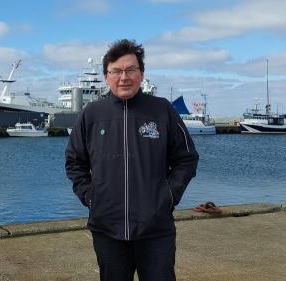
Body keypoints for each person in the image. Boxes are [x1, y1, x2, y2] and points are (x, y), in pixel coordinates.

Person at [65, 39, 199, 281]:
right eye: (116, 71)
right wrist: (91, 196)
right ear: (106, 77)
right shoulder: (92, 114)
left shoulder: (162, 110)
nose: (123, 77)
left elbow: (187, 159)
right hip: (107, 229)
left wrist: (168, 196)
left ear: (141, 74)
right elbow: (74, 162)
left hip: (155, 229)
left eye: (130, 70)